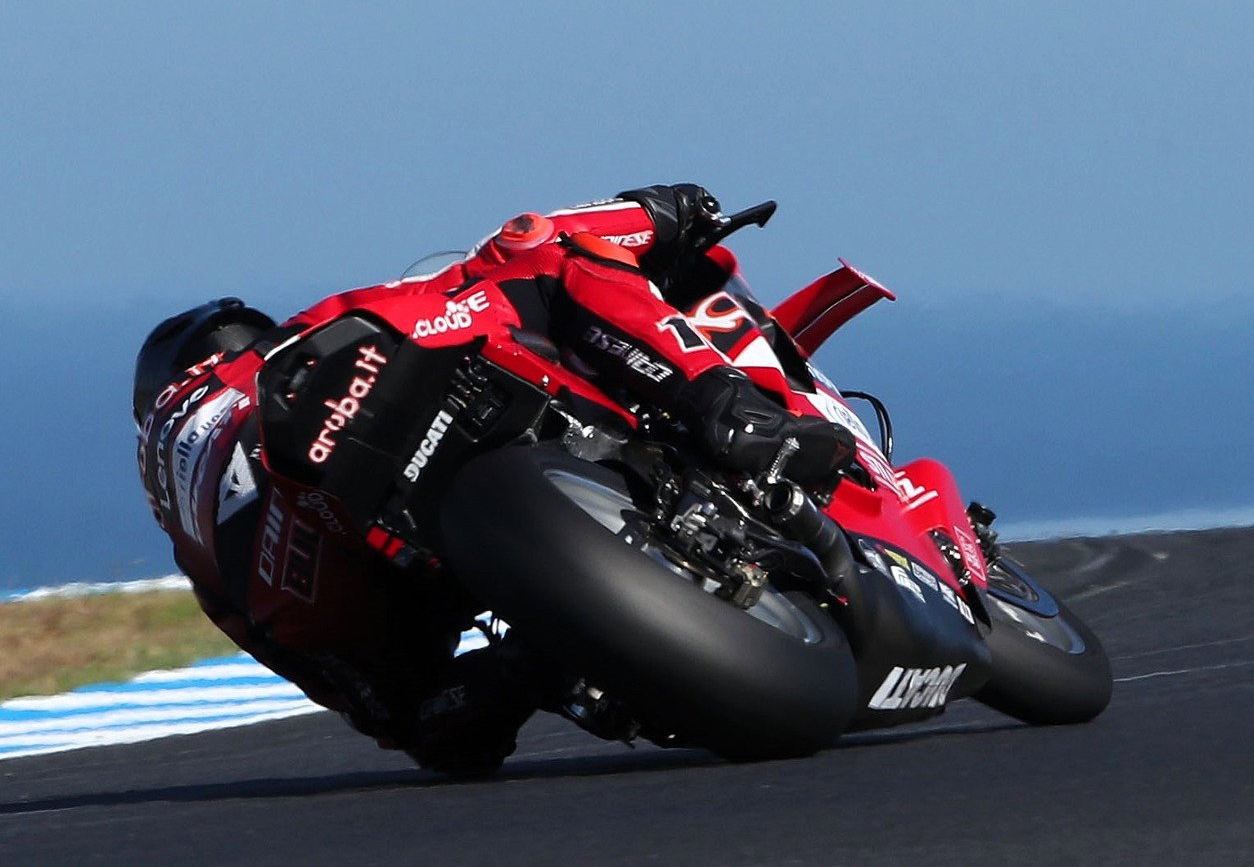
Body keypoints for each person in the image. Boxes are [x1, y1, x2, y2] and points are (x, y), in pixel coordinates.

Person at [133, 184, 856, 776]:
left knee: (419, 721)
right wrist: (668, 210)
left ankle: (536, 659)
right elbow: (517, 250)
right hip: (368, 419)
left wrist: (476, 691)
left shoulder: (184, 525)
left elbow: (381, 711)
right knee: (546, 249)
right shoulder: (282, 353)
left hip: (296, 574)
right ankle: (723, 405)